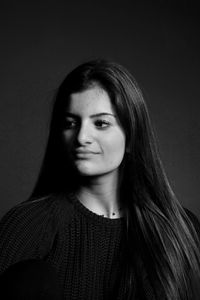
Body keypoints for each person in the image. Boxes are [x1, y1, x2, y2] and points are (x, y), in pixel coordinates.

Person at [0, 59, 200, 300]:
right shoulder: (26, 226)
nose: (82, 136)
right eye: (70, 123)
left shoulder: (181, 231)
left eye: (101, 123)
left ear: (132, 135)